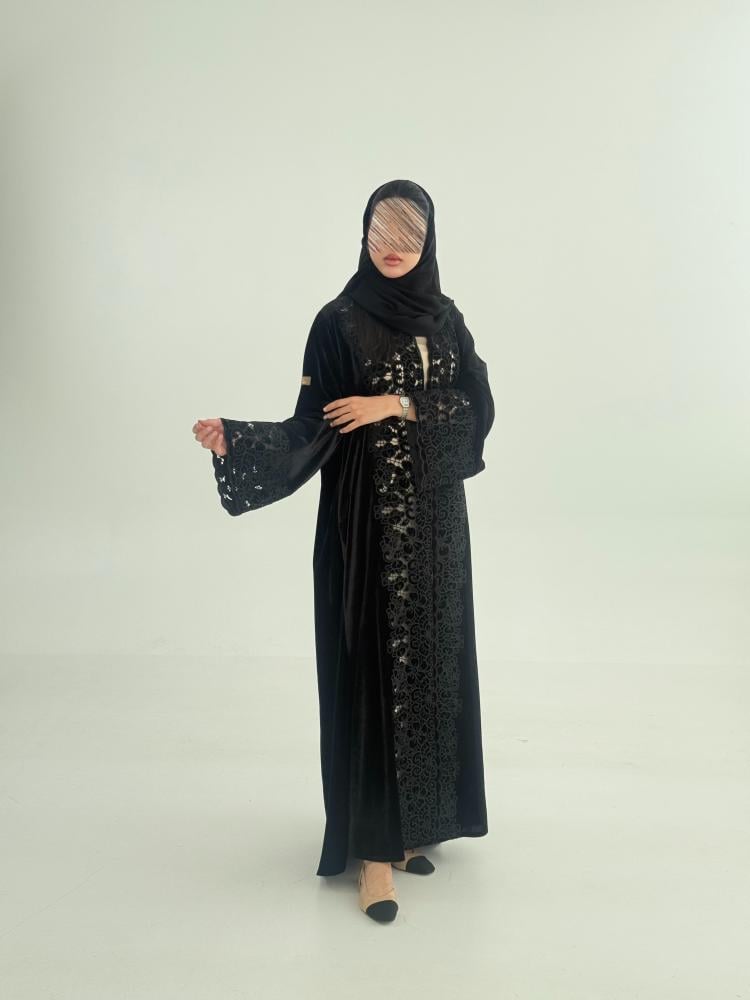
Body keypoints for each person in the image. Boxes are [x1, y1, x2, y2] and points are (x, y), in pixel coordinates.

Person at [193, 179, 495, 923]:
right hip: (364, 525)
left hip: (437, 529)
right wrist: (241, 440)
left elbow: (477, 408)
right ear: (361, 235)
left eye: (409, 236)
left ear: (429, 243)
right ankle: (372, 856)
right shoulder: (337, 322)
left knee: (431, 669)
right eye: (380, 232)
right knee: (369, 673)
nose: (393, 248)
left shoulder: (446, 319)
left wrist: (397, 405)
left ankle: (414, 827)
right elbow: (312, 424)